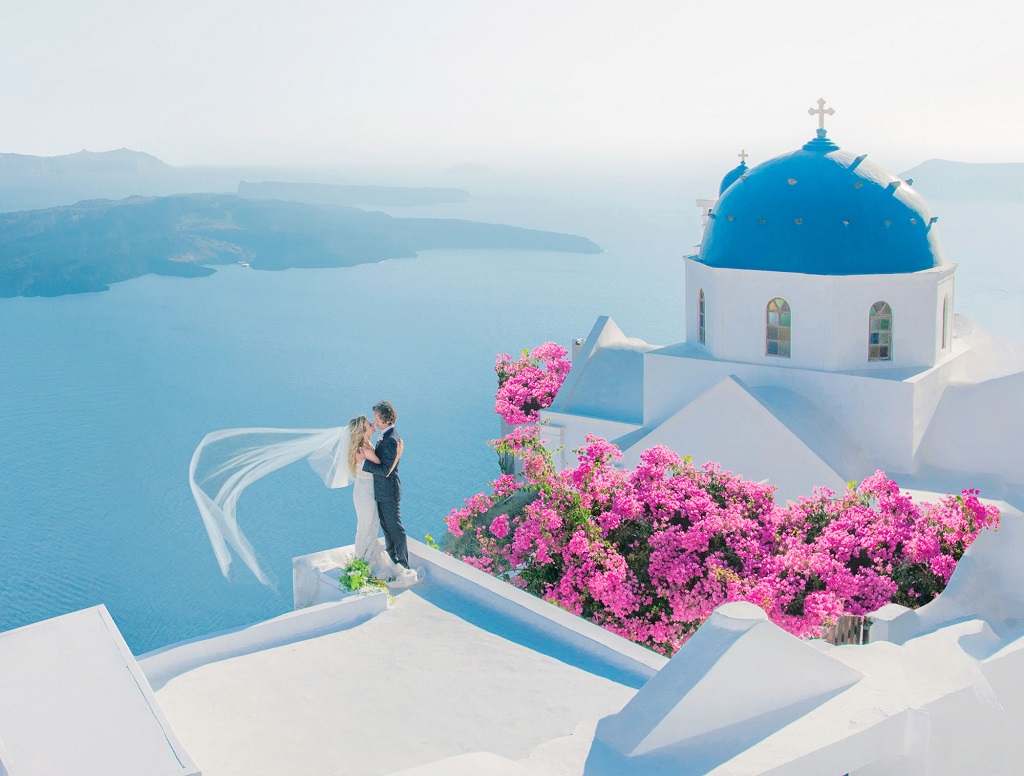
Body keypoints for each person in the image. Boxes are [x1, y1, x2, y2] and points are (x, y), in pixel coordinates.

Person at [360, 401, 411, 572]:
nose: (374, 422)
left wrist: (363, 464)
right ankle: (392, 559)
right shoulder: (385, 436)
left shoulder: (390, 440)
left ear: (386, 419)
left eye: (376, 418)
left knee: (395, 528)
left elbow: (384, 470)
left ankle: (403, 563)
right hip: (382, 491)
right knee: (387, 528)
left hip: (389, 491)